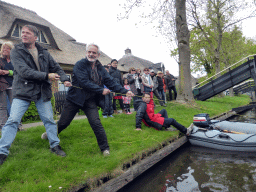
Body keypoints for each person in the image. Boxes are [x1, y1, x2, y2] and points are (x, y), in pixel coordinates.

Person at [41, 44, 134, 156]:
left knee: (96, 123)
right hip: (74, 99)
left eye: (94, 52)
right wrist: (101, 90)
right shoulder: (80, 65)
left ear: (98, 55)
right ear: (86, 53)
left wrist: (125, 91)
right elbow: (84, 82)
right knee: (63, 123)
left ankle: (105, 149)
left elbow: (110, 82)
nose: (91, 54)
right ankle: (50, 134)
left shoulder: (101, 68)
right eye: (89, 52)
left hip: (90, 101)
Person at [0, 25, 72, 165]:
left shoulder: (43, 52)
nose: (24, 35)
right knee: (13, 120)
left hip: (42, 91)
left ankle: (55, 146)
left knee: (49, 120)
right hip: (22, 91)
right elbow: (23, 71)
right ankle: (2, 151)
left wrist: (65, 78)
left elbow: (56, 67)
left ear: (35, 37)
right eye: (23, 33)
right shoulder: (16, 51)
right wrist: (47, 75)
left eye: (27, 33)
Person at [0, 42, 14, 130]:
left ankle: (17, 125)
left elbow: (19, 72)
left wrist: (8, 72)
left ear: (11, 50)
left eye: (7, 48)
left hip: (13, 85)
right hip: (2, 85)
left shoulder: (15, 60)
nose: (5, 49)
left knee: (15, 106)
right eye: (4, 48)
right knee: (2, 106)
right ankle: (3, 126)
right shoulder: (0, 59)